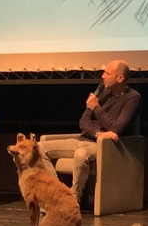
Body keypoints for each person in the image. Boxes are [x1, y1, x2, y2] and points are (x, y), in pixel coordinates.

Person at [38, 60, 141, 206]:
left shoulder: (133, 97)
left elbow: (116, 127)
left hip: (105, 146)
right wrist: (98, 133)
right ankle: (58, 193)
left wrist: (96, 107)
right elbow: (83, 121)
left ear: (120, 78)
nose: (103, 76)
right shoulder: (104, 92)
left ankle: (73, 201)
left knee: (81, 155)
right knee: (38, 148)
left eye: (107, 73)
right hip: (86, 139)